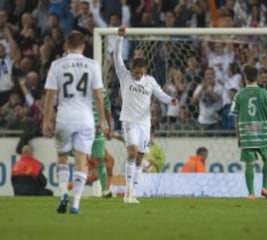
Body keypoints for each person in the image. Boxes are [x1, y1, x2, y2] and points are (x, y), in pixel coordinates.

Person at [43, 30, 105, 214]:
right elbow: (98, 96)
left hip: (64, 118)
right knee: (81, 161)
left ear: (65, 46)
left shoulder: (57, 65)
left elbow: (50, 95)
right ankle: (76, 203)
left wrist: (46, 120)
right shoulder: (92, 65)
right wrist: (102, 119)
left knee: (62, 157)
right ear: (83, 47)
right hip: (86, 119)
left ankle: (63, 193)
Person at [114, 27, 177, 203]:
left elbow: (160, 94)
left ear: (145, 71)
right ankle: (127, 192)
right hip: (129, 121)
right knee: (132, 152)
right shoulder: (124, 75)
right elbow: (117, 58)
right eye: (136, 73)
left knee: (140, 157)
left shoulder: (149, 81)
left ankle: (134, 192)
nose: (138, 76)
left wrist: (170, 100)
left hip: (145, 123)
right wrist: (119, 39)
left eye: (141, 74)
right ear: (132, 70)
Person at [230, 65, 267, 200]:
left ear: (245, 78)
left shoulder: (239, 95)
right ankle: (265, 188)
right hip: (263, 132)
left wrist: (238, 136)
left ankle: (251, 194)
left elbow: (236, 117)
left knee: (249, 164)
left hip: (247, 133)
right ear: (257, 77)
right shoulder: (265, 93)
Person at [89, 88, 113, 197]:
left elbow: (107, 108)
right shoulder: (80, 87)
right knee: (74, 154)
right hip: (83, 129)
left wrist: (109, 127)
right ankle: (68, 189)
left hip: (98, 132)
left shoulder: (102, 90)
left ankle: (105, 190)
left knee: (99, 159)